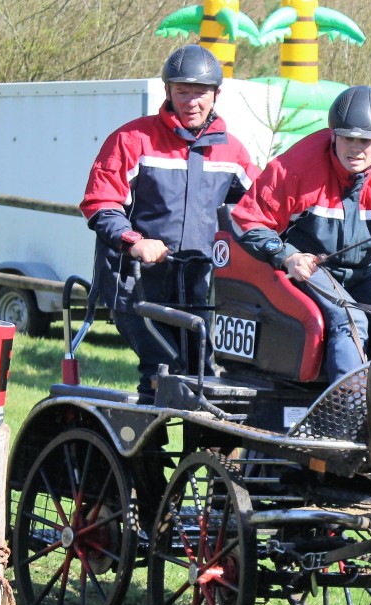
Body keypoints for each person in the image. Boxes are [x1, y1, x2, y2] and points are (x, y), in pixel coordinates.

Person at [80, 44, 261, 399]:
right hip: (135, 284)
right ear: (168, 92)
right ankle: (142, 451)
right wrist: (134, 241)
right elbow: (101, 203)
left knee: (204, 376)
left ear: (215, 95)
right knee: (163, 370)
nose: (191, 101)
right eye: (183, 92)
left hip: (197, 288)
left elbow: (260, 209)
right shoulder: (132, 140)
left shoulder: (232, 152)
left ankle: (207, 451)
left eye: (200, 93)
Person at [231, 85, 371, 384]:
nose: (356, 148)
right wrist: (286, 255)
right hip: (304, 272)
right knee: (350, 320)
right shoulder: (295, 167)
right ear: (333, 133)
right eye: (348, 138)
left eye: (366, 140)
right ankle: (348, 413)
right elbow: (247, 220)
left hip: (359, 276)